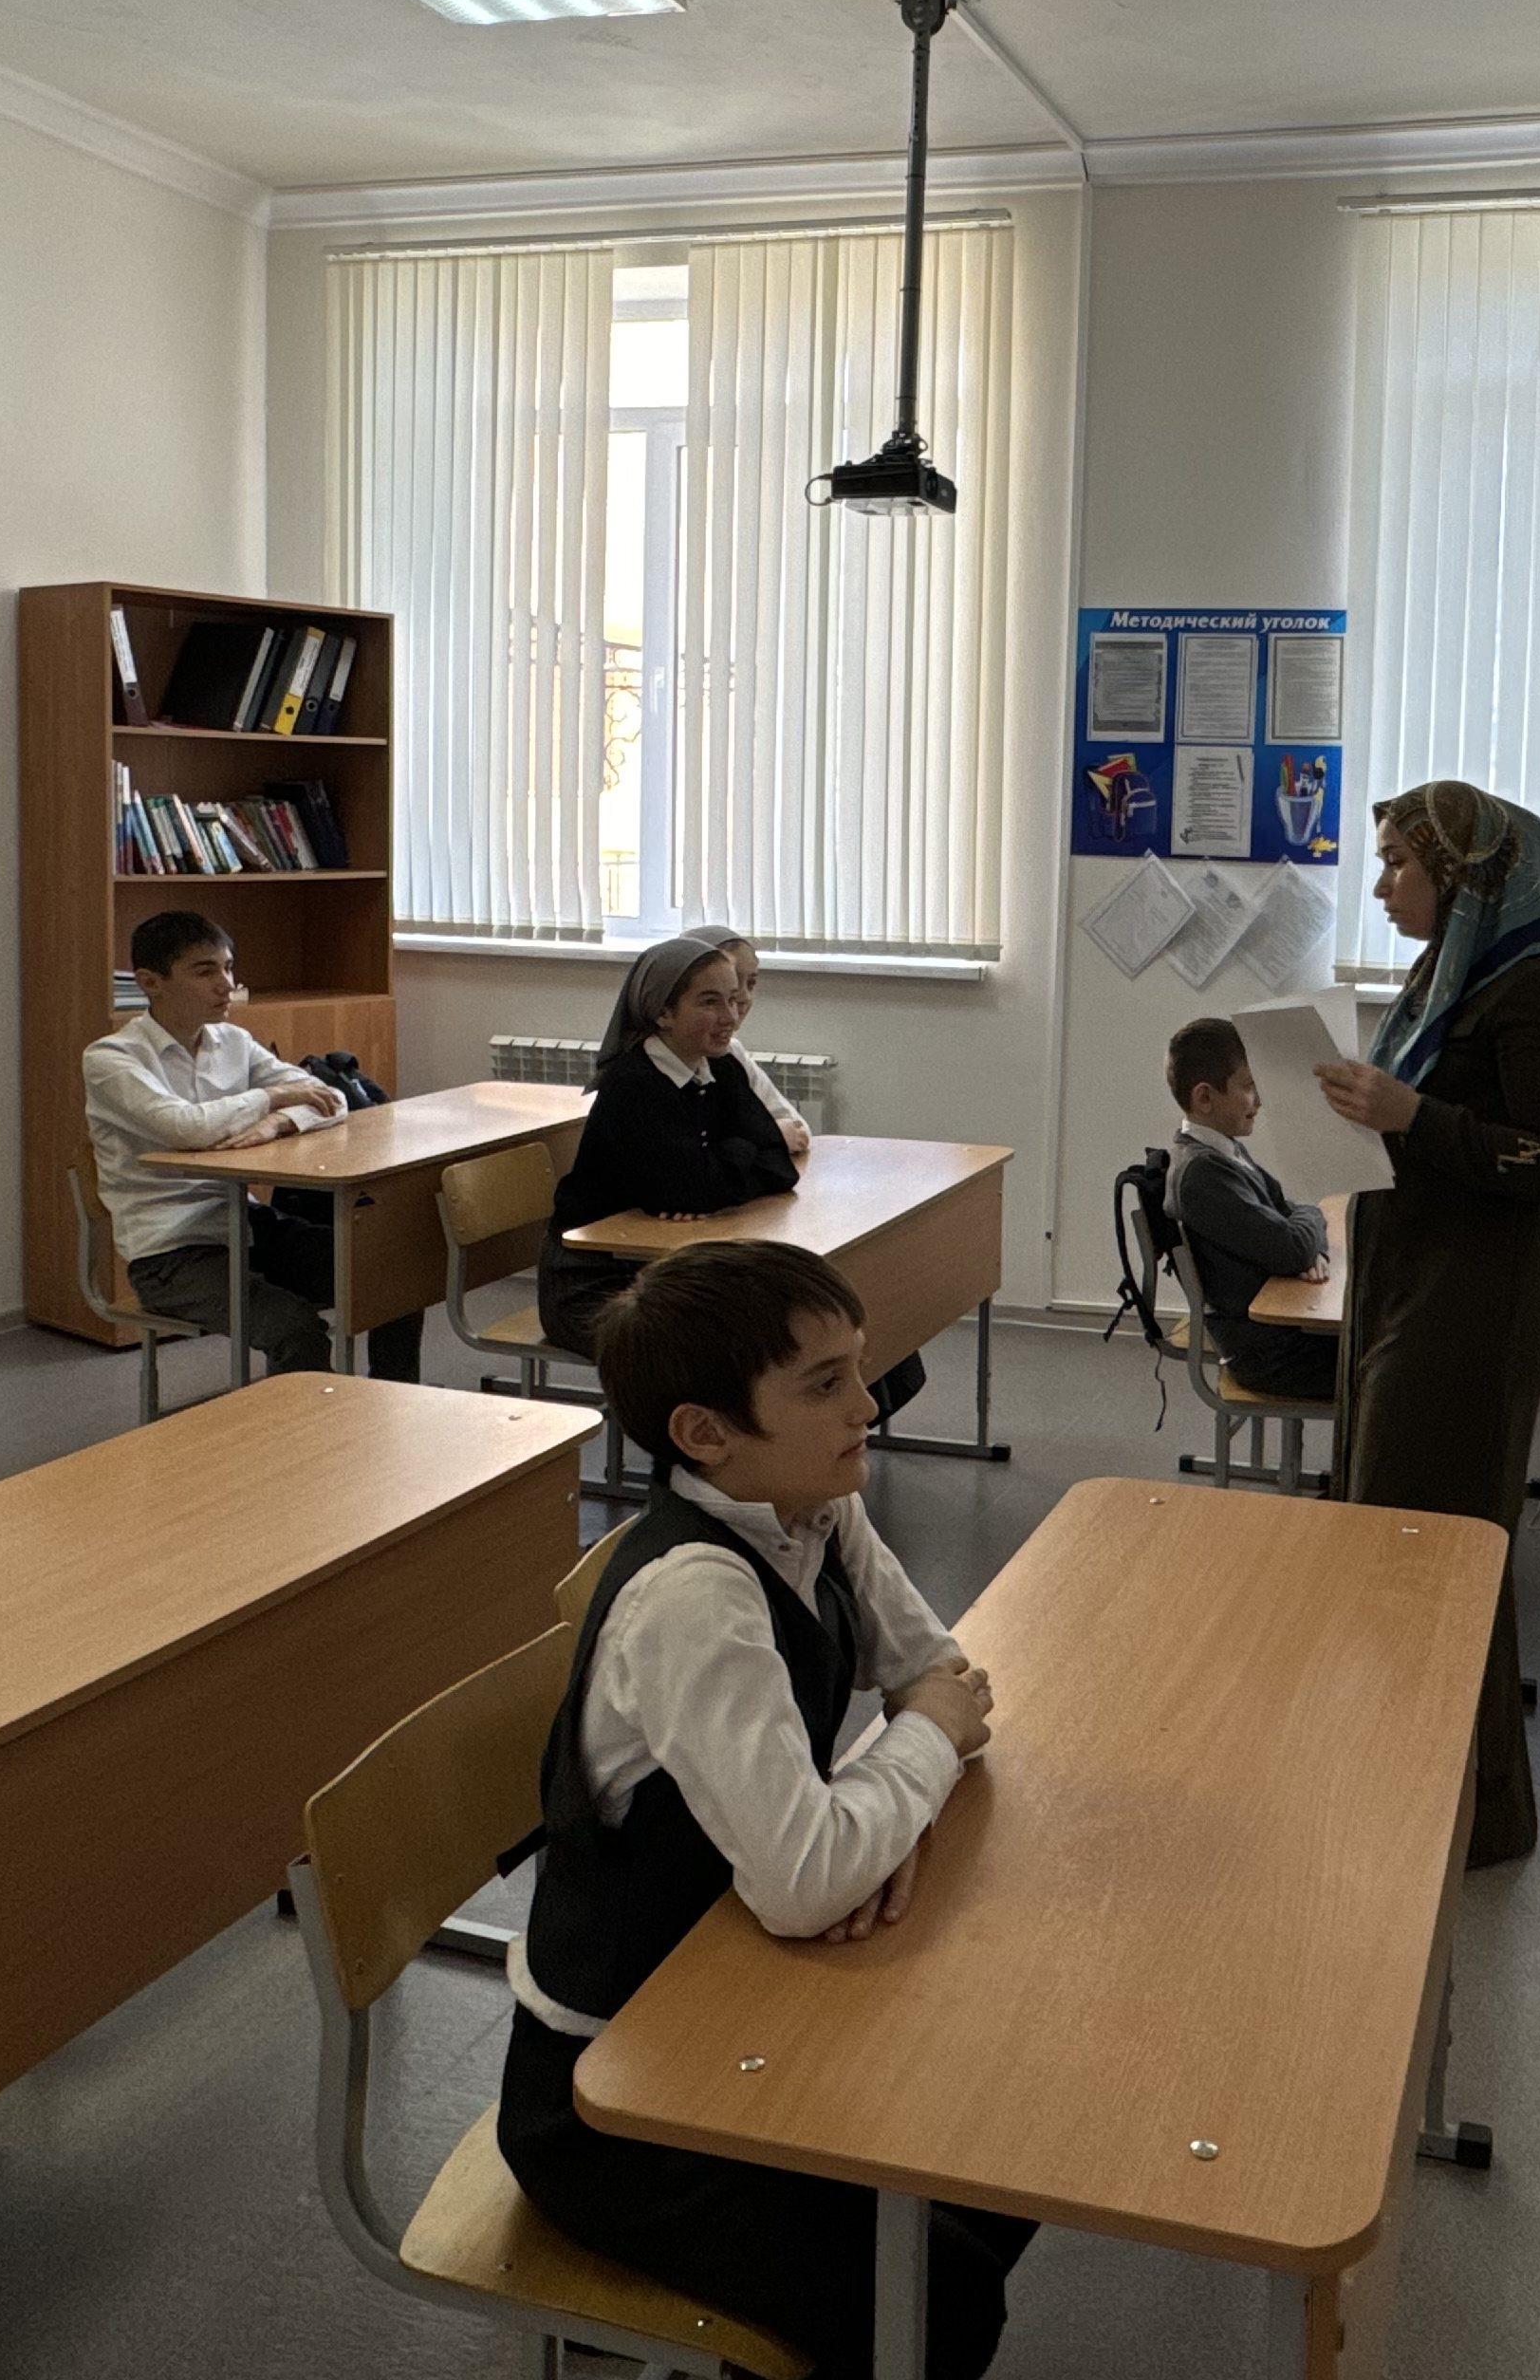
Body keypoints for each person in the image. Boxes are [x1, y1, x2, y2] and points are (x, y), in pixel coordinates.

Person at [496, 1241, 1028, 2380]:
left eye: (859, 1369)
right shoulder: (696, 1598)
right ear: (705, 1434)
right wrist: (891, 1790)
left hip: (734, 2002)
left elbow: (939, 1675)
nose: (868, 1405)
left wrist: (876, 1816)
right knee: (941, 2293)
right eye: (824, 1383)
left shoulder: (810, 1506)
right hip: (612, 2101)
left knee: (999, 2155)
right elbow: (810, 1876)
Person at [1308, 782, 1540, 1868]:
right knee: (1387, 1532)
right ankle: (1403, 1774)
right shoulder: (1451, 971)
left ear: (1464, 874)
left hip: (1468, 1305)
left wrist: (1409, 1114)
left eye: (1400, 863)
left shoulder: (1534, 991)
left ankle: (1473, 1812)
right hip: (1407, 1278)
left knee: (1434, 1551)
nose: (1383, 886)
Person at [83, 910, 419, 1382]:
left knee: (396, 1273)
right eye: (205, 972)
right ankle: (302, 1428)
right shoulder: (111, 1059)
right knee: (295, 1329)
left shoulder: (233, 1042)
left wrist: (277, 1124)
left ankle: (393, 1400)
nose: (226, 985)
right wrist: (273, 1097)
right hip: (171, 1252)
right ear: (150, 982)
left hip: (247, 1226)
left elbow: (332, 1098)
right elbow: (187, 1128)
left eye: (228, 968)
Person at [540, 936, 805, 1361]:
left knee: (800, 1317)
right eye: (709, 1002)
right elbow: (696, 1190)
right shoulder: (634, 1084)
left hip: (670, 1275)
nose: (730, 1017)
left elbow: (780, 1168)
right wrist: (741, 1152)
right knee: (740, 1348)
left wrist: (720, 1167)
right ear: (662, 1012)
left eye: (732, 1000)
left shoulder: (720, 1068)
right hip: (596, 1284)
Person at [1160, 1015, 1339, 1403]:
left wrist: (1314, 1248)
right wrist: (1308, 1239)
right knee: (1389, 1366)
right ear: (1205, 1097)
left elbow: (1290, 1209)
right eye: (1249, 1087)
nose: (1259, 1101)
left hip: (1277, 1337)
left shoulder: (1224, 1151)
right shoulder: (1203, 1174)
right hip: (1268, 1354)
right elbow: (1293, 1245)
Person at [677, 923, 815, 1154]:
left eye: (750, 983)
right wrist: (770, 1135)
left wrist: (769, 1135)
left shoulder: (732, 1054)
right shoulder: (651, 1071)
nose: (743, 997)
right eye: (717, 992)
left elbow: (797, 1129)